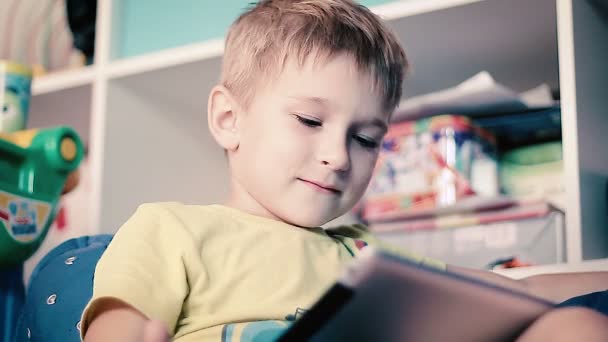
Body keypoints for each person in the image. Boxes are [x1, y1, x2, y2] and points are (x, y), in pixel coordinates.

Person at [81, 1, 608, 341]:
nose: (339, 156)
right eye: (310, 120)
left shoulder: (364, 252)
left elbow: (509, 289)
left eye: (365, 138)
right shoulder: (171, 229)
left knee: (576, 327)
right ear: (228, 118)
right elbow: (117, 323)